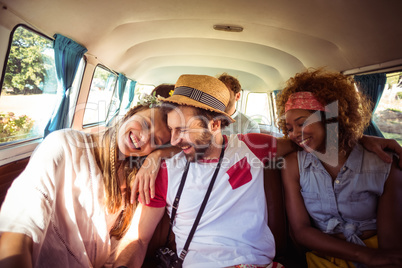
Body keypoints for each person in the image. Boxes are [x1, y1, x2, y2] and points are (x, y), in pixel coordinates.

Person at [116, 74, 296, 268]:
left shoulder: (251, 147)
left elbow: (299, 144)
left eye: (183, 130)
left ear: (215, 124)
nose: (174, 140)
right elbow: (138, 239)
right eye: (171, 129)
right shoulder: (166, 171)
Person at [0, 100, 172, 267]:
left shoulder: (135, 175)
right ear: (130, 113)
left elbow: (193, 146)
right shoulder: (65, 145)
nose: (143, 138)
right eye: (145, 123)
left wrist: (158, 155)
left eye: (155, 141)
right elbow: (22, 220)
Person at [277, 69, 402, 267]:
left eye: (302, 124)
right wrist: (366, 257)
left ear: (331, 119)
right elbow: (300, 231)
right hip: (324, 257)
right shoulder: (293, 164)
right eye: (289, 128)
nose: (294, 134)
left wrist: (375, 258)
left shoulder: (384, 163)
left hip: (376, 251)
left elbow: (391, 241)